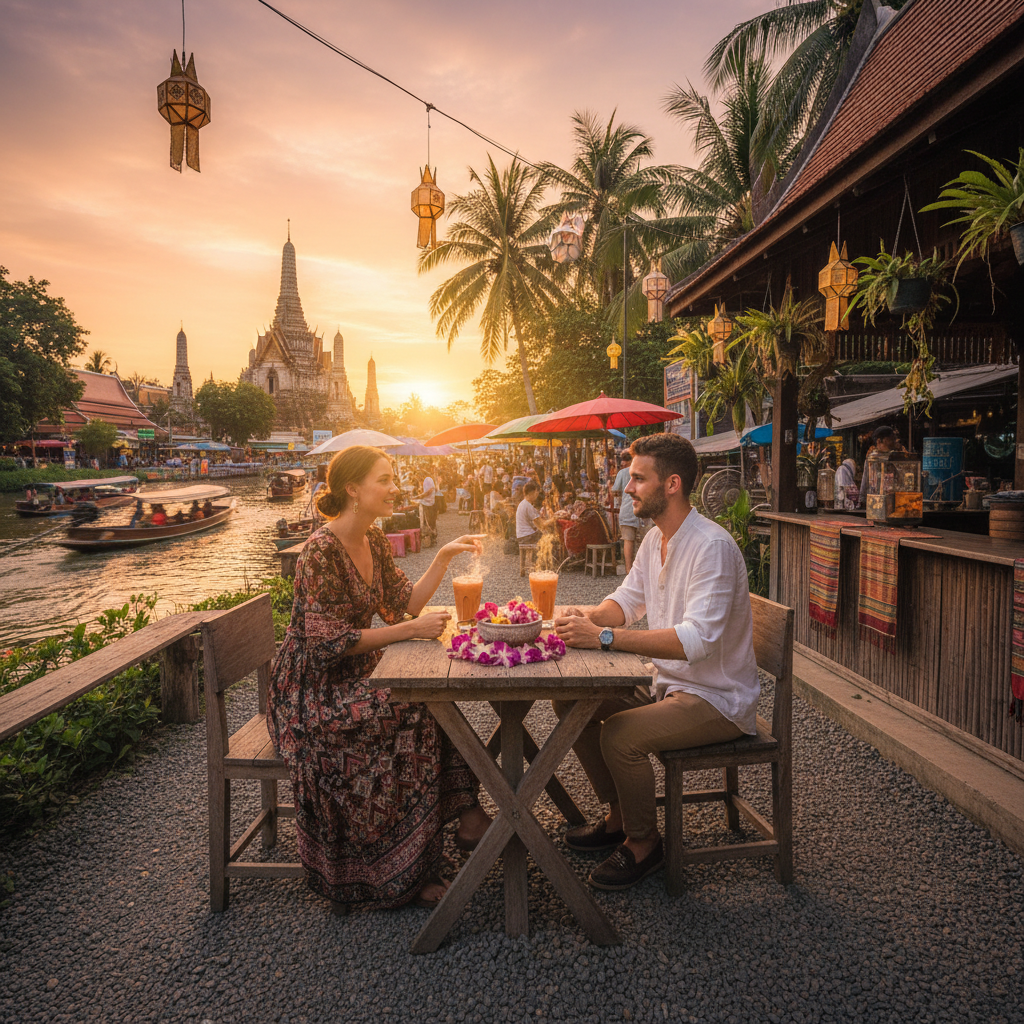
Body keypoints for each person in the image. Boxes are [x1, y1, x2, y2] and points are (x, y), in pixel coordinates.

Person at [267, 446, 490, 912]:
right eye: (385, 480)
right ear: (353, 489)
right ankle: (397, 869)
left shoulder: (372, 537)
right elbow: (323, 645)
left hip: (354, 673)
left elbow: (405, 604)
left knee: (427, 699)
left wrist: (444, 556)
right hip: (309, 691)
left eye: (394, 479)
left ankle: (460, 824)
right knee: (411, 708)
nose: (395, 488)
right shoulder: (320, 552)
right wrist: (409, 632)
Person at [552, 433, 759, 891]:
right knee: (571, 701)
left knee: (621, 734)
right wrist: (582, 617)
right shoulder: (654, 540)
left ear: (672, 484)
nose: (627, 487)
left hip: (716, 697)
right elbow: (627, 600)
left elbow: (697, 642)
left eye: (638, 478)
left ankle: (644, 843)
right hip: (668, 686)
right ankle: (621, 815)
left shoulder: (712, 548)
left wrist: (603, 637)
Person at [609, 450, 645, 574]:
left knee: (628, 540)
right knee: (644, 541)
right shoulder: (642, 470)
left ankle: (629, 570)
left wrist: (619, 494)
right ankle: (643, 569)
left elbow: (615, 491)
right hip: (643, 510)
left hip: (627, 510)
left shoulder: (622, 473)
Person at [859, 426, 899, 506]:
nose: (894, 441)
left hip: (892, 500)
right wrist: (862, 499)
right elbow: (866, 479)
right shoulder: (871, 458)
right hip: (875, 501)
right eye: (890, 438)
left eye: (893, 438)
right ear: (879, 440)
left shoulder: (895, 457)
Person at [413, 469, 438, 544]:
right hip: (427, 503)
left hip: (429, 504)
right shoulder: (425, 481)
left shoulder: (428, 479)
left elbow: (429, 491)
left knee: (429, 521)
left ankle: (431, 537)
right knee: (427, 521)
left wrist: (418, 496)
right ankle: (430, 538)